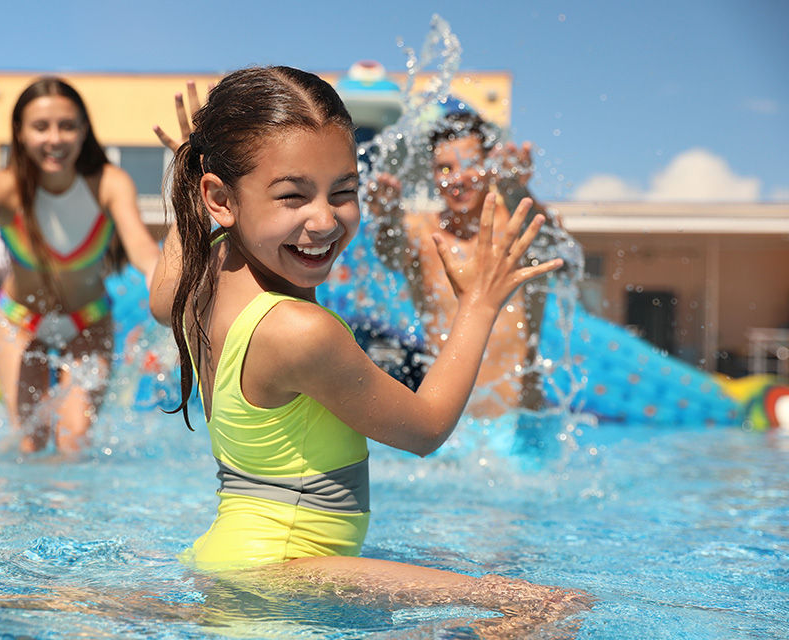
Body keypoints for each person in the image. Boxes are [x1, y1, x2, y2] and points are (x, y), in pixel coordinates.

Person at [150, 68, 590, 630]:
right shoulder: (299, 331)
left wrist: (192, 178)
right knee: (547, 606)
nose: (324, 220)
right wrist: (478, 305)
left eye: (343, 192)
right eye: (292, 196)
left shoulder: (202, 277)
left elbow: (158, 298)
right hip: (282, 574)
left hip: (234, 559)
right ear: (221, 198)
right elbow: (426, 429)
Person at [0, 76, 160, 454]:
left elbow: (142, 246)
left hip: (89, 320)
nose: (55, 138)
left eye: (67, 126)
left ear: (84, 130)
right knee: (31, 441)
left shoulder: (109, 184)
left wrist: (159, 269)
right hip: (20, 320)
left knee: (73, 441)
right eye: (41, 127)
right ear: (20, 131)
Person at [370, 109, 561, 417]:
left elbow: (556, 246)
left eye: (470, 164)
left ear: (489, 165)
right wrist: (387, 218)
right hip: (447, 426)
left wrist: (517, 190)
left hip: (519, 421)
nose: (457, 178)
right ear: (432, 173)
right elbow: (391, 253)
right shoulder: (423, 232)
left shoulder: (516, 226)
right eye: (445, 168)